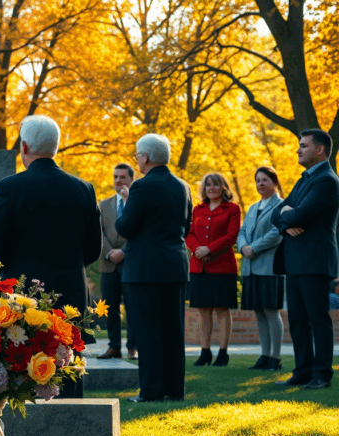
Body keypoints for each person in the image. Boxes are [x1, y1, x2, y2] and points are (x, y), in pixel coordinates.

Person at [0, 114, 102, 399]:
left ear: (24, 147)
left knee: (22, 374)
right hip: (70, 294)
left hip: (23, 296)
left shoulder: (9, 187)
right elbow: (93, 250)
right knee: (67, 373)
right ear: (55, 147)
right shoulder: (84, 189)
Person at [115, 133, 192, 403]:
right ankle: (174, 389)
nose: (137, 160)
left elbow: (125, 227)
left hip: (146, 269)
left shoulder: (141, 187)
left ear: (145, 157)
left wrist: (126, 205)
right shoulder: (183, 186)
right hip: (175, 265)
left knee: (148, 331)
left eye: (137, 155)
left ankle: (150, 391)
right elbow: (187, 226)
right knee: (173, 330)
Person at [272, 128, 338, 390]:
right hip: (295, 260)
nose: (298, 150)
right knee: (298, 321)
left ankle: (322, 375)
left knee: (318, 320)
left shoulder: (327, 180)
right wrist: (286, 224)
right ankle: (302, 372)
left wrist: (288, 215)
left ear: (319, 149)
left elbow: (300, 214)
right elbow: (277, 212)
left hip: (315, 260)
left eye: (304, 146)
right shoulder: (304, 179)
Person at [185, 173, 241, 367]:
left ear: (223, 187)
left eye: (215, 184)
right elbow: (189, 234)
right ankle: (205, 351)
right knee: (203, 310)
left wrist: (209, 249)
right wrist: (197, 250)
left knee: (222, 309)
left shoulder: (232, 209)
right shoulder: (197, 209)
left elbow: (232, 235)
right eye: (208, 185)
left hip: (223, 267)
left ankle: (223, 353)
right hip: (199, 267)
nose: (211, 188)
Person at [237, 166, 285, 371]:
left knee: (271, 311)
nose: (261, 184)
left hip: (269, 267)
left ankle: (276, 357)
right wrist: (243, 247)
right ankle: (264, 355)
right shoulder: (252, 208)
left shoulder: (281, 206)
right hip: (250, 267)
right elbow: (241, 232)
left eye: (265, 180)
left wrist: (253, 248)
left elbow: (276, 233)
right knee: (259, 312)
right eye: (258, 180)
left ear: (274, 182)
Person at [97, 163, 138, 361]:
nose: (118, 180)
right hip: (108, 264)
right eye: (115, 177)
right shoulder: (103, 205)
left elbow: (140, 232)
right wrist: (109, 252)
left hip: (131, 263)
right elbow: (98, 233)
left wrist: (123, 251)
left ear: (131, 179)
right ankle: (114, 347)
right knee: (109, 309)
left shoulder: (137, 204)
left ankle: (132, 348)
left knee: (133, 308)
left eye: (122, 177)